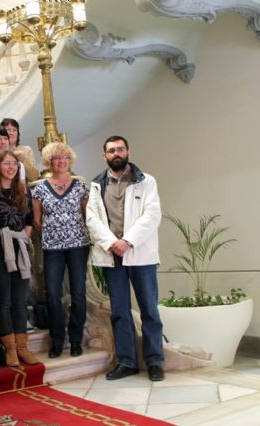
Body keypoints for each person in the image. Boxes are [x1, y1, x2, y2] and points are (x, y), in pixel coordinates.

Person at [85, 135, 165, 382]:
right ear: (105, 156)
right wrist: (112, 243)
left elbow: (152, 215)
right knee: (120, 312)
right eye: (111, 150)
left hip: (140, 255)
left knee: (149, 310)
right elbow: (92, 219)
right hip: (112, 257)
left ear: (128, 152)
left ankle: (154, 362)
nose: (116, 153)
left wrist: (128, 241)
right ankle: (127, 362)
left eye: (120, 149)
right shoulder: (97, 185)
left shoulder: (146, 181)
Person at [32, 142, 90, 358]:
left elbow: (87, 216)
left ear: (70, 160)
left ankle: (76, 340)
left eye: (65, 157)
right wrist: (54, 232)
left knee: (78, 294)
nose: (61, 161)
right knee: (53, 294)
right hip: (52, 248)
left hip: (78, 246)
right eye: (57, 158)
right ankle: (57, 340)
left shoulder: (81, 186)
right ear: (49, 161)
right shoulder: (39, 189)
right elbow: (37, 222)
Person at [0, 150, 39, 367]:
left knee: (20, 300)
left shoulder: (23, 192)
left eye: (14, 164)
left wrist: (24, 237)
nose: (11, 167)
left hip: (19, 248)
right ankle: (9, 349)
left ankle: (22, 347)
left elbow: (28, 220)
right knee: (3, 301)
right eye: (6, 163)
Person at [1, 118, 38, 182]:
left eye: (14, 130)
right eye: (8, 130)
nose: (11, 133)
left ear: (18, 134)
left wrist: (23, 159)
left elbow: (34, 177)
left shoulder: (26, 150)